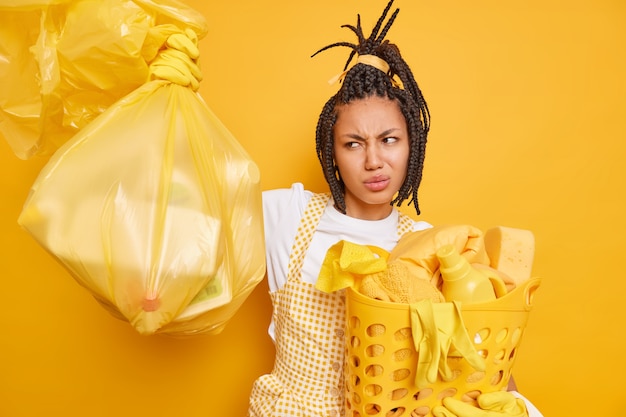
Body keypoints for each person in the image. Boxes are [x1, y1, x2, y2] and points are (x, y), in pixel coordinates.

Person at [246, 1, 543, 416]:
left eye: (389, 140)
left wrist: (521, 409)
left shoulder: (432, 245)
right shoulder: (287, 214)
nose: (373, 161)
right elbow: (186, 224)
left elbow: (478, 360)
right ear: (331, 153)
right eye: (353, 143)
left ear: (412, 146)